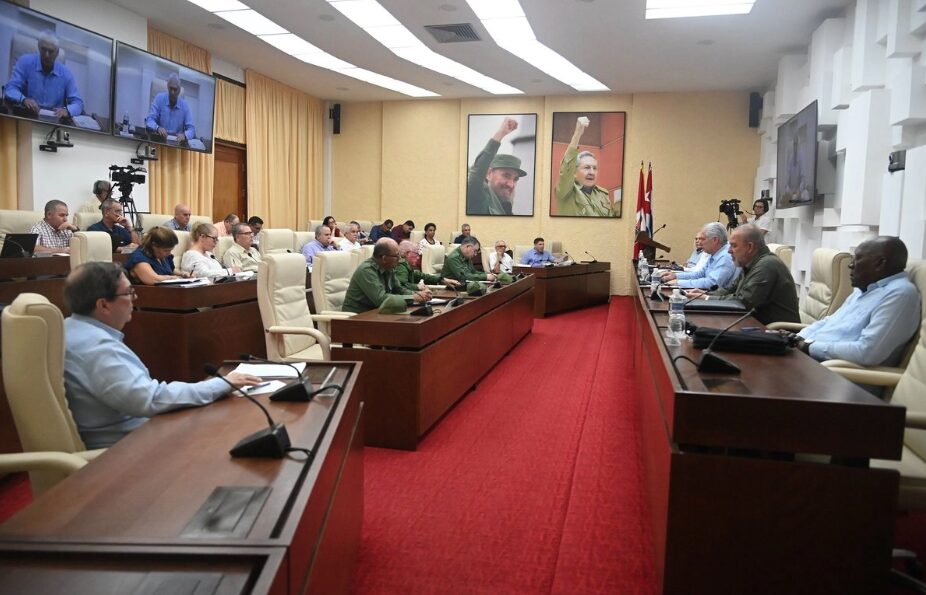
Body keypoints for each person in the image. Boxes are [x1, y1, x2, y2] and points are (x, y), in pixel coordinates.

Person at [62, 262, 261, 448]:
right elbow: (151, 399)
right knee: (232, 428)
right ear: (103, 305)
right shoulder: (97, 346)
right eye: (129, 292)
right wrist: (221, 384)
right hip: (129, 448)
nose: (134, 298)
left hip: (137, 433)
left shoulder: (70, 328)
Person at [788, 237, 920, 367]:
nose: (850, 265)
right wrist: (795, 338)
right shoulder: (864, 288)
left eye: (857, 258)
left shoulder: (900, 294)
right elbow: (829, 322)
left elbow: (866, 353)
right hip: (810, 358)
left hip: (835, 371)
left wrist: (808, 346)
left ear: (879, 263)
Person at [686, 224, 800, 325]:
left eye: (734, 246)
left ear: (749, 247)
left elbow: (742, 302)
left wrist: (707, 298)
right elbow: (729, 290)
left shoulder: (766, 266)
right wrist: (704, 294)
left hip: (777, 332)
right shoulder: (751, 264)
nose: (729, 251)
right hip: (754, 324)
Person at [4, 31, 83, 120]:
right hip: (27, 117)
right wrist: (23, 99)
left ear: (57, 52)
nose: (46, 55)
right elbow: (10, 89)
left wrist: (68, 110)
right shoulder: (25, 62)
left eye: (51, 51)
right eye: (43, 49)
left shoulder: (66, 73)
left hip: (54, 121)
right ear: (38, 47)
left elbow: (78, 103)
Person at [342, 238, 430, 313]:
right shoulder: (366, 270)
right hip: (357, 318)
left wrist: (419, 295)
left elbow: (399, 290)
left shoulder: (388, 268)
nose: (399, 259)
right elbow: (381, 299)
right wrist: (413, 298)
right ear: (384, 258)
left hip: (378, 313)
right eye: (396, 256)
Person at [555, 116, 617, 217]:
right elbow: (566, 168)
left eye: (594, 168)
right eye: (587, 167)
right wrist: (578, 132)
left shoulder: (603, 195)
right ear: (574, 172)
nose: (592, 172)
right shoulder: (566, 191)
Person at [466, 117, 526, 215]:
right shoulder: (479, 196)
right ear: (488, 174)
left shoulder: (506, 208)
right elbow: (476, 173)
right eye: (506, 175)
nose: (511, 184)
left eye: (515, 179)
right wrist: (501, 133)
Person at [660, 223, 737, 289]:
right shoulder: (715, 253)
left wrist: (679, 283)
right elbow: (700, 274)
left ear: (715, 240)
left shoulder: (726, 256)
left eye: (702, 239)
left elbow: (712, 283)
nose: (699, 243)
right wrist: (675, 276)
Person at [145, 73, 195, 142]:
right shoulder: (159, 98)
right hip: (160, 140)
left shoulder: (185, 105)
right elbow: (149, 120)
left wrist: (185, 135)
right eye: (171, 88)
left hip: (176, 143)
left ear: (179, 90)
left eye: (175, 89)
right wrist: (157, 128)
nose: (172, 92)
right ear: (168, 87)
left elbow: (191, 129)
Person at [394, 240, 458, 291]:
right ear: (407, 254)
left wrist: (441, 280)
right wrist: (417, 287)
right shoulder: (401, 266)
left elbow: (421, 276)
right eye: (416, 254)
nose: (418, 257)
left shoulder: (407, 266)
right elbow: (401, 286)